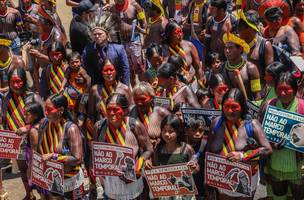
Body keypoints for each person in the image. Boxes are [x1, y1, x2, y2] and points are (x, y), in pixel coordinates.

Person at [207, 88, 272, 199]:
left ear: (242, 107)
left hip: (245, 179)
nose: (230, 111)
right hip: (222, 178)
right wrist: (207, 179)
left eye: (234, 107)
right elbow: (208, 150)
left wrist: (242, 156)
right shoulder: (216, 123)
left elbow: (267, 149)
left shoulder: (252, 125)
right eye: (227, 106)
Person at [92, 93, 153, 199]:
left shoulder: (135, 126)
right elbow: (95, 153)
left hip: (132, 181)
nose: (111, 113)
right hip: (110, 184)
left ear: (125, 111)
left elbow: (149, 149)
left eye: (115, 109)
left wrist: (138, 166)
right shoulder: (99, 127)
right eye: (109, 109)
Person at [259, 71, 304, 200]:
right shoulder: (268, 106)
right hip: (274, 164)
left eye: (287, 89)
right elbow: (259, 134)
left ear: (295, 90)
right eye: (280, 89)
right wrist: (270, 144)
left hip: (298, 166)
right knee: (278, 196)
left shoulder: (302, 107)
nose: (283, 93)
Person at [1, 67, 42, 200]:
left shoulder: (33, 97)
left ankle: (44, 195)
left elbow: (46, 120)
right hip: (16, 142)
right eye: (13, 82)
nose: (16, 85)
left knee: (38, 169)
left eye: (19, 81)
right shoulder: (6, 99)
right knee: (23, 170)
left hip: (35, 141)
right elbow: (4, 118)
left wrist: (28, 127)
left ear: (24, 81)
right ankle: (29, 195)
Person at [37, 93, 84, 199]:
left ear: (61, 111)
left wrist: (53, 156)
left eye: (49, 109)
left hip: (70, 182)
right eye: (45, 109)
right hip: (53, 179)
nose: (45, 113)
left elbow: (77, 159)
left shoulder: (71, 129)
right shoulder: (44, 124)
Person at [144, 114, 199, 200]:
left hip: (183, 194)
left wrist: (193, 167)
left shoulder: (186, 149)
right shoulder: (158, 149)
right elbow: (154, 167)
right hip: (165, 193)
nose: (167, 134)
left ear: (178, 132)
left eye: (171, 131)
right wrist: (148, 164)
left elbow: (196, 168)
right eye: (164, 130)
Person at [103, 0, 147, 86]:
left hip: (135, 42)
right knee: (128, 69)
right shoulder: (111, 9)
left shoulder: (134, 5)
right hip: (121, 44)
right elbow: (108, 26)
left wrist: (143, 33)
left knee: (140, 68)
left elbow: (143, 23)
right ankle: (134, 91)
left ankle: (143, 89)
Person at [87, 60, 132, 138]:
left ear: (116, 71)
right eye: (106, 70)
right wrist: (91, 138)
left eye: (111, 70)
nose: (109, 73)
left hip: (121, 133)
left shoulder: (125, 90)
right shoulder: (95, 90)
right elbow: (91, 115)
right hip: (101, 133)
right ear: (101, 72)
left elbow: (131, 113)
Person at [82, 20, 130, 86]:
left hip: (117, 84)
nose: (97, 36)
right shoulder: (88, 50)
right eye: (94, 34)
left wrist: (125, 86)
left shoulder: (118, 49)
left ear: (107, 35)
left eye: (100, 34)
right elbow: (86, 68)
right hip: (98, 86)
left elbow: (125, 69)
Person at [16, 101, 45, 200]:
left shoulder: (33, 130)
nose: (24, 117)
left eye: (27, 114)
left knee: (41, 190)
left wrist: (31, 168)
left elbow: (34, 151)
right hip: (39, 164)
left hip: (36, 165)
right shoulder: (41, 125)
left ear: (36, 115)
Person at [222, 32, 261, 101]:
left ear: (240, 49)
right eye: (225, 48)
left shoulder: (251, 68)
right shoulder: (221, 68)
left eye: (230, 48)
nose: (227, 51)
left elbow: (257, 97)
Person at [130, 81, 170, 148]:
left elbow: (174, 133)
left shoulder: (161, 113)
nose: (139, 103)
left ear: (151, 98)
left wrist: (162, 140)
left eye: (143, 99)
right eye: (136, 100)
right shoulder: (130, 112)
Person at [164, 21, 204, 87]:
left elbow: (198, 68)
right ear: (169, 35)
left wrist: (201, 82)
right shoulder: (165, 50)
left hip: (192, 84)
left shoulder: (189, 45)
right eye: (177, 33)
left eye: (181, 31)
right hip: (175, 87)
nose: (180, 35)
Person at [237, 10, 274, 78]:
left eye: (240, 28)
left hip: (260, 86)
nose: (238, 31)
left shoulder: (265, 45)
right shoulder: (236, 43)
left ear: (250, 29)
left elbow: (270, 74)